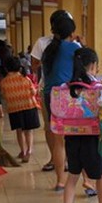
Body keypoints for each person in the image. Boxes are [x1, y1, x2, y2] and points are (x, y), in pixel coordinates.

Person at [58, 47, 102, 203]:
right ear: (94, 65)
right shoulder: (97, 87)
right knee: (100, 174)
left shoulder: (67, 86)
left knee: (72, 176)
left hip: (72, 136)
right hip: (93, 138)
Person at [31, 9, 74, 173]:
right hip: (51, 90)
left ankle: (66, 160)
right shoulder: (42, 43)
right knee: (51, 128)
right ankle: (55, 158)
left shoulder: (72, 45)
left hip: (58, 91)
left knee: (60, 128)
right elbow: (34, 65)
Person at [42, 14, 81, 191]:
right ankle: (86, 179)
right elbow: (82, 69)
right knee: (76, 138)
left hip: (50, 95)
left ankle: (60, 180)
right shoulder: (73, 48)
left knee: (58, 141)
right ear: (72, 32)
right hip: (66, 95)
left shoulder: (48, 49)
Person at [0, 56, 41, 162]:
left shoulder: (4, 82)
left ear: (7, 68)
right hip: (29, 107)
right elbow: (33, 92)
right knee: (28, 131)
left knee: (19, 130)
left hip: (14, 109)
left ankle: (23, 151)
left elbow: (3, 96)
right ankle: (29, 150)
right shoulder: (26, 79)